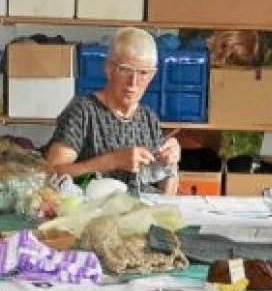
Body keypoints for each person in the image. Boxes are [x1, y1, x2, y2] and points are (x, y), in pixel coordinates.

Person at [46, 27, 181, 195]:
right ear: (108, 68)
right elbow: (51, 174)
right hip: (91, 216)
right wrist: (113, 161)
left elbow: (166, 194)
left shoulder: (148, 118)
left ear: (152, 75)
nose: (133, 83)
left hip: (136, 215)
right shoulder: (83, 111)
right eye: (124, 70)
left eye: (143, 73)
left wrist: (170, 164)